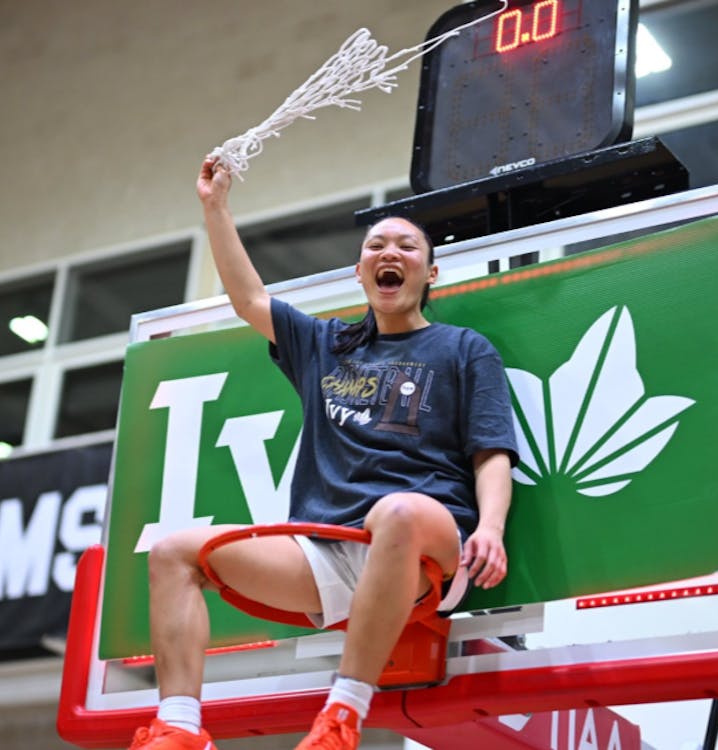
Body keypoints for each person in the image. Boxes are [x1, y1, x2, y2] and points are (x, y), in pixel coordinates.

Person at [128, 156, 519, 750]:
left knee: (397, 511)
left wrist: (491, 527)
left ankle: (343, 714)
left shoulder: (464, 348)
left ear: (430, 272)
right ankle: (180, 727)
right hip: (329, 552)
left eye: (407, 246)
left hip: (431, 546)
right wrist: (215, 207)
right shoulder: (324, 343)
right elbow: (247, 298)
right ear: (361, 271)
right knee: (173, 552)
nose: (390, 252)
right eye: (376, 245)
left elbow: (491, 451)